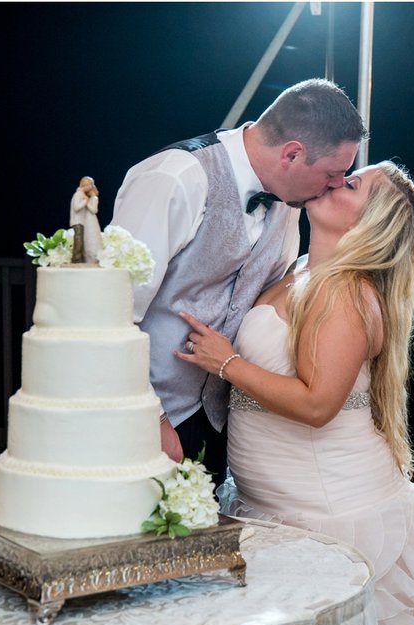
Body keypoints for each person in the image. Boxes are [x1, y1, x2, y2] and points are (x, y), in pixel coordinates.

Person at [176, 160, 414, 625]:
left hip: (332, 513)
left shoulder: (346, 293)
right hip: (274, 504)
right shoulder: (300, 272)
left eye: (351, 183)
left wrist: (224, 361)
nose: (336, 180)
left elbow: (317, 404)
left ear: (369, 222)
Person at [110, 78, 368, 488]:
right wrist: (149, 417)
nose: (336, 185)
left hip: (219, 425)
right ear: (292, 154)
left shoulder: (289, 203)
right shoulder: (175, 179)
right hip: (140, 418)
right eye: (334, 174)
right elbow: (108, 311)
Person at [70, 176, 102, 263]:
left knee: (89, 238)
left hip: (91, 220)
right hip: (84, 220)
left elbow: (94, 210)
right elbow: (76, 207)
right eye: (85, 185)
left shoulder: (94, 198)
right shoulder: (80, 196)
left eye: (89, 185)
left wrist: (87, 202)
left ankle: (89, 258)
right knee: (82, 239)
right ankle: (80, 259)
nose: (87, 187)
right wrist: (85, 200)